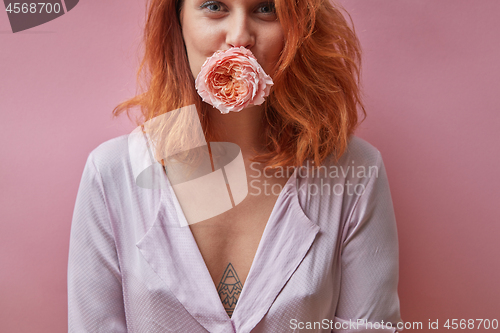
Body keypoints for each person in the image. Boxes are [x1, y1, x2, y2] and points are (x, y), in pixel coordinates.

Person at [67, 0, 404, 331]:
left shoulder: (355, 172)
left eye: (267, 8)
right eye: (215, 6)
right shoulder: (112, 172)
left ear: (299, 27)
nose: (240, 36)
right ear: (178, 21)